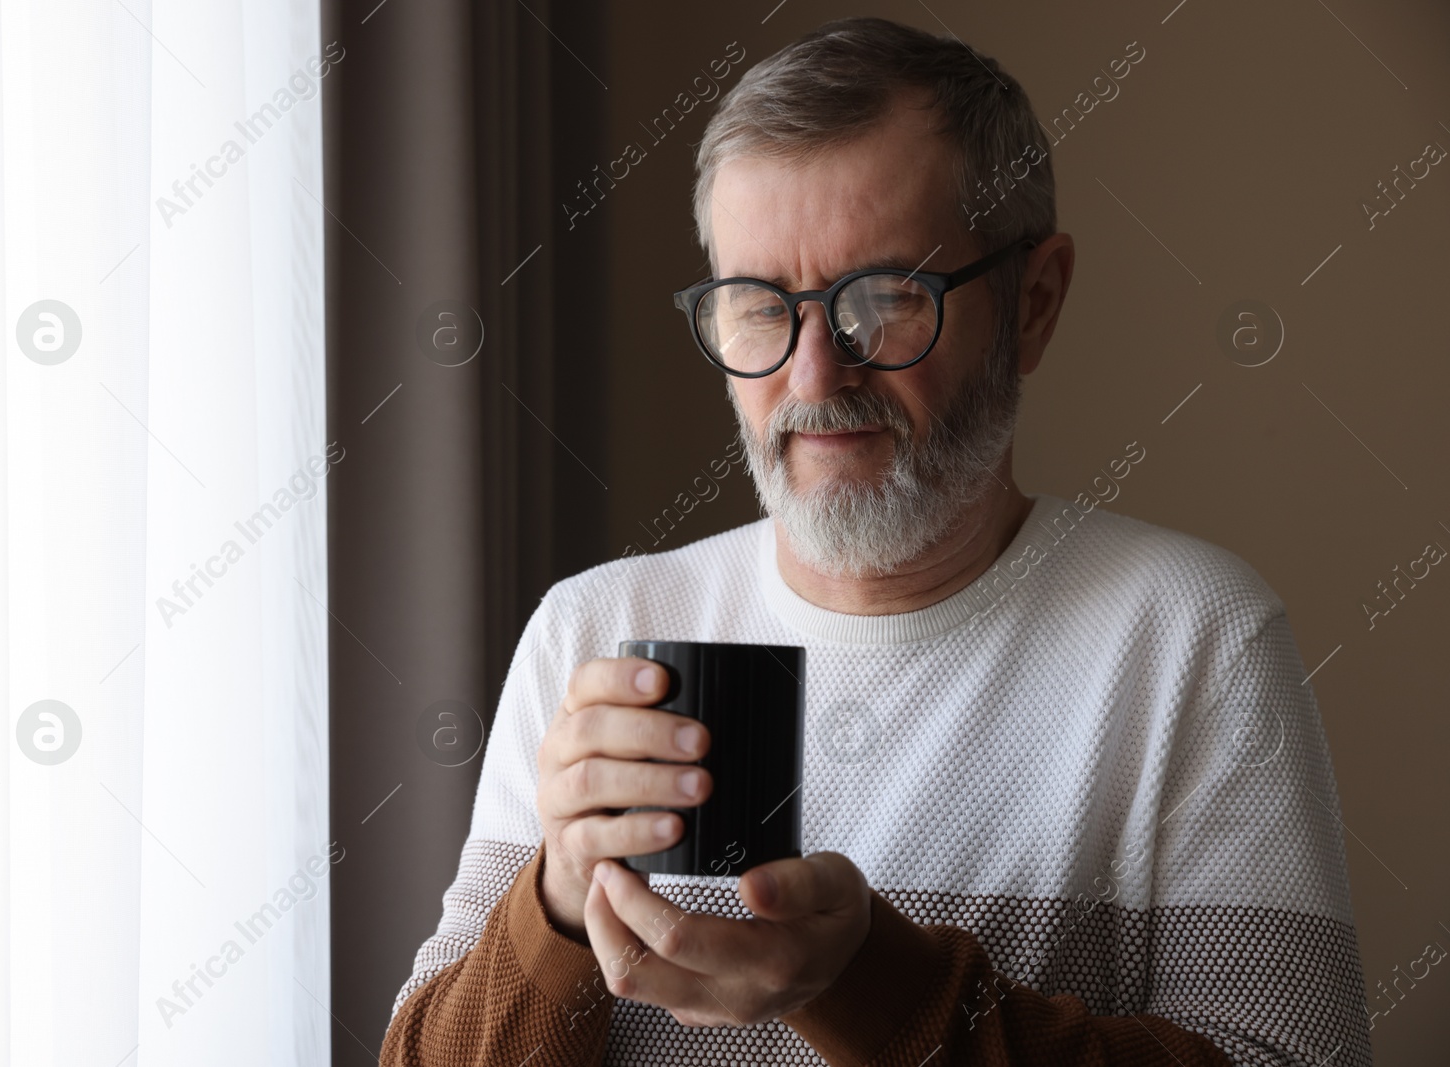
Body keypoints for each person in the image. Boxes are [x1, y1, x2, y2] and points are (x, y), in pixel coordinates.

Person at [380, 17, 1370, 1066]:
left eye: (884, 301)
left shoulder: (1190, 637)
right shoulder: (599, 629)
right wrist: (557, 909)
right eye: (760, 308)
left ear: (1033, 303)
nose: (813, 379)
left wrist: (874, 990)